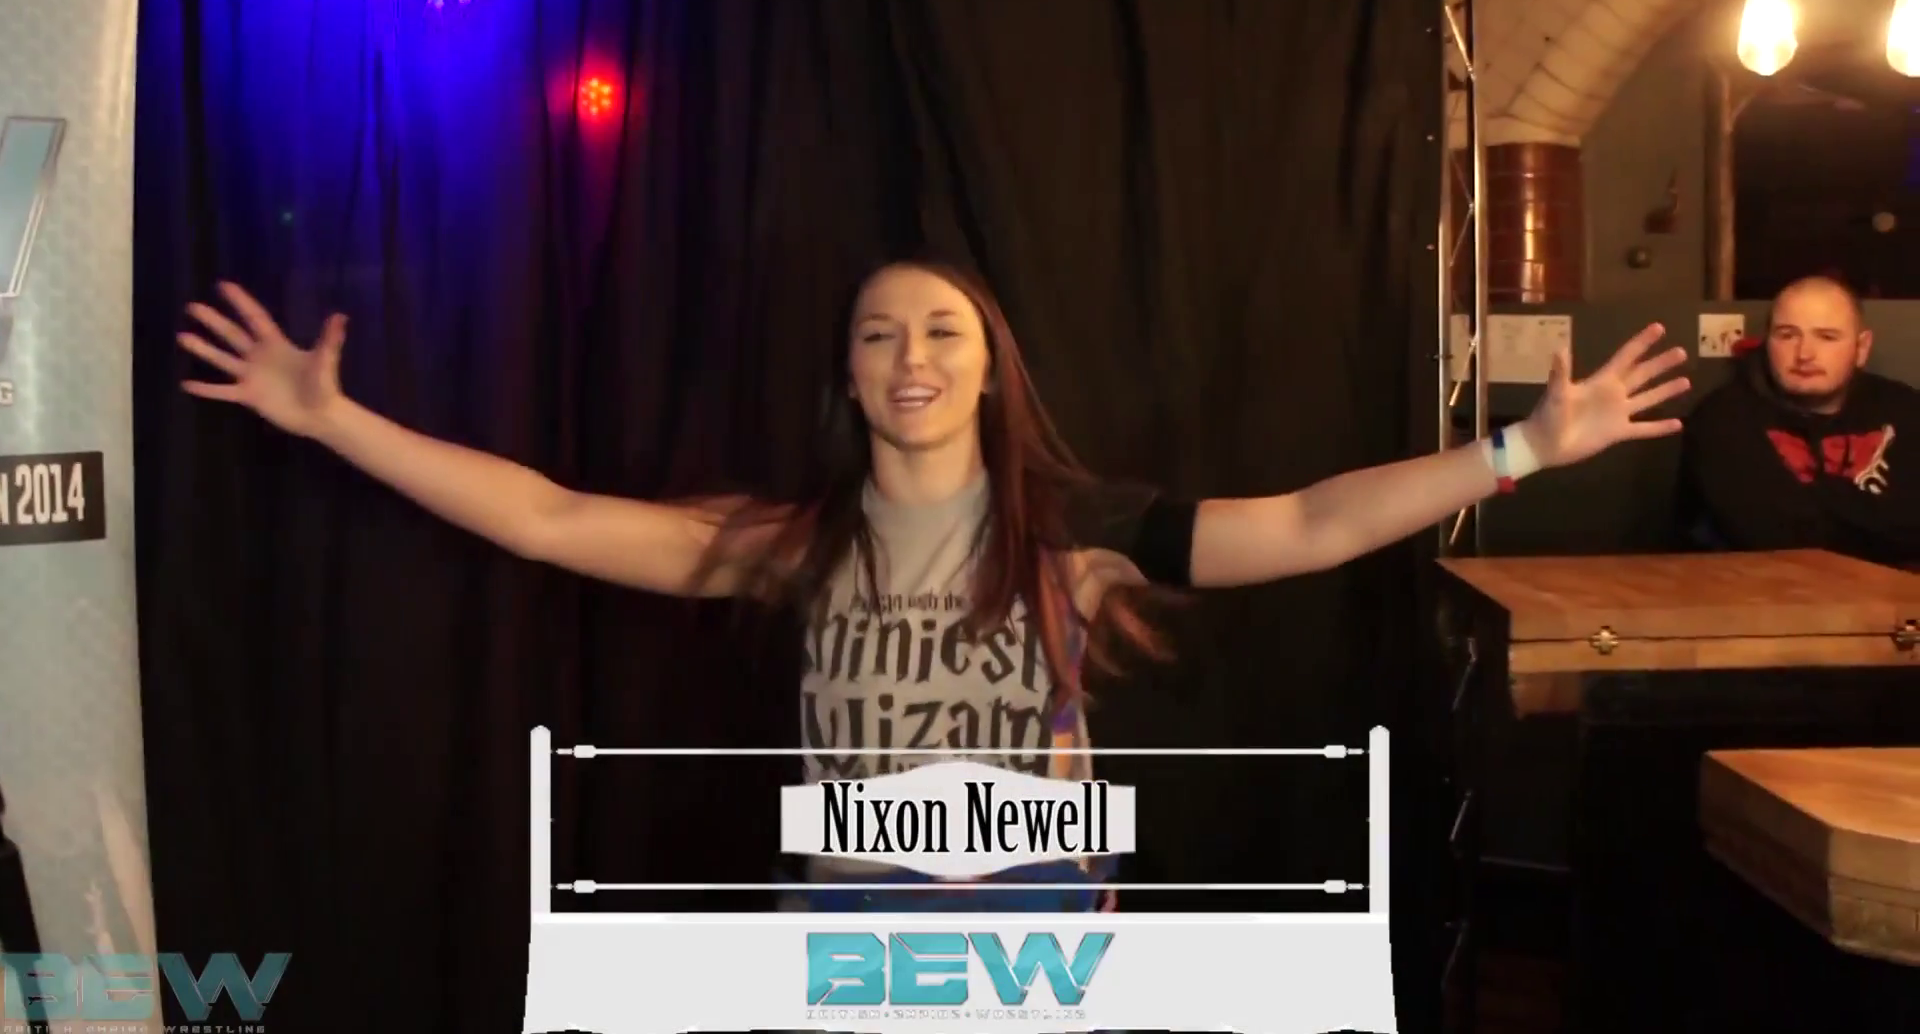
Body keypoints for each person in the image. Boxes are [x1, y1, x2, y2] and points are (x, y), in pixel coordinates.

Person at [176, 261, 1688, 911]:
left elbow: (1305, 523)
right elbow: (551, 519)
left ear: (988, 365)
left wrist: (1519, 449)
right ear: (849, 374)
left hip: (1032, 917)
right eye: (880, 334)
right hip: (850, 917)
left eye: (942, 331)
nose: (911, 356)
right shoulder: (795, 540)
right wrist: (336, 421)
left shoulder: (1077, 530)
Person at [1678, 275, 1920, 567]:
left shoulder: (1904, 408)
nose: (1805, 354)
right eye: (1787, 335)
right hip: (1762, 589)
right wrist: (1876, 516)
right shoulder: (1723, 419)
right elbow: (1776, 539)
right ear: (1767, 342)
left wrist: (1820, 504)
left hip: (1894, 590)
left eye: (1827, 337)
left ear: (1861, 347)